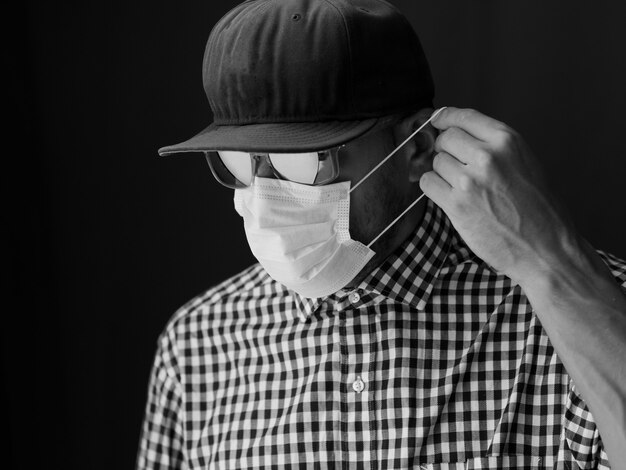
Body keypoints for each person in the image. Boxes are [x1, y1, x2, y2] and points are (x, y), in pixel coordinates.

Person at [137, 0, 626, 468]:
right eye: (241, 162)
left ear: (416, 146)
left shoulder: (579, 313)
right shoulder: (197, 344)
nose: (265, 194)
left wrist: (550, 262)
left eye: (306, 161)